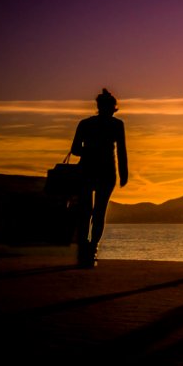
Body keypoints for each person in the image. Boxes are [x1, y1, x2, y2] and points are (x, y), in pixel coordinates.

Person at [71, 88, 128, 268]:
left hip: (89, 170)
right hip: (104, 172)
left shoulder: (85, 124)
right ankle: (91, 248)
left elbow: (75, 150)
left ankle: (84, 249)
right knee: (97, 211)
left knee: (86, 211)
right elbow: (121, 151)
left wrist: (88, 150)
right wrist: (124, 173)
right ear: (112, 108)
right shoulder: (116, 125)